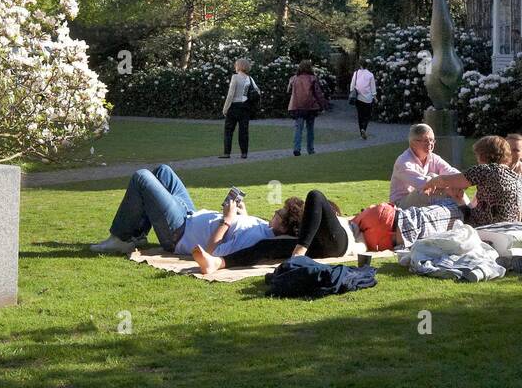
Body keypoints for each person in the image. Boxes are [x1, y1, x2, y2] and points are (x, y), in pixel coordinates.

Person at [90, 163, 274, 257]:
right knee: (164, 171)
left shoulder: (256, 238)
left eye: (280, 215)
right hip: (190, 215)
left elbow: (211, 252)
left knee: (142, 177)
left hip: (179, 233)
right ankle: (137, 234)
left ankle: (120, 238)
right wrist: (243, 214)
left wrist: (227, 219)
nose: (275, 214)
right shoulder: (266, 227)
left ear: (284, 225)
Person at [191, 189, 361, 275]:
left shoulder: (339, 222)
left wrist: (299, 249)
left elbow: (316, 198)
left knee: (314, 194)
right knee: (265, 246)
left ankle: (298, 254)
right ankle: (217, 263)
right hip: (316, 247)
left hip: (337, 243)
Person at [420, 134, 522, 226]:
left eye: (477, 155)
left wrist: (430, 183)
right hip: (509, 230)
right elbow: (518, 216)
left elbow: (443, 180)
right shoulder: (517, 179)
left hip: (485, 229)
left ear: (482, 155)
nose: (477, 160)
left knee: (446, 208)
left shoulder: (484, 171)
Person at [389, 123, 464, 206]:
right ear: (413, 143)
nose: (430, 144)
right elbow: (425, 184)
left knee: (451, 184)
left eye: (432, 140)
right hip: (400, 205)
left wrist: (461, 180)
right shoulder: (403, 162)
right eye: (425, 140)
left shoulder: (434, 158)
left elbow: (449, 171)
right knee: (432, 182)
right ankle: (467, 211)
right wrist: (451, 186)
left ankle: (469, 211)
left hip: (423, 197)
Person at [351, 197, 467, 251]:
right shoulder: (457, 230)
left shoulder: (449, 206)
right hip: (387, 238)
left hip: (391, 221)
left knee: (354, 225)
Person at [286, 60, 329, 156]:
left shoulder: (294, 79)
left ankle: (297, 148)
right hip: (310, 107)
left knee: (298, 128)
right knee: (310, 129)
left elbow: (288, 91)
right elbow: (318, 93)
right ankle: (310, 149)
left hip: (297, 106)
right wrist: (323, 105)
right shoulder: (312, 78)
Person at [220, 57, 260, 159]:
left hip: (234, 106)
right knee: (244, 131)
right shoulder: (250, 78)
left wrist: (225, 108)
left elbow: (230, 94)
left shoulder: (235, 77)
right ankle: (244, 153)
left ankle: (227, 153)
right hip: (245, 107)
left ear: (238, 66)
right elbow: (258, 91)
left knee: (228, 130)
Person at [348, 62, 377, 139]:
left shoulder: (356, 73)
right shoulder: (370, 75)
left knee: (360, 115)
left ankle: (361, 130)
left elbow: (352, 84)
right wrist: (374, 96)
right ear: (367, 66)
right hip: (368, 98)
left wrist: (352, 92)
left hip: (358, 97)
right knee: (367, 115)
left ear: (360, 65)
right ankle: (364, 128)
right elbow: (372, 87)